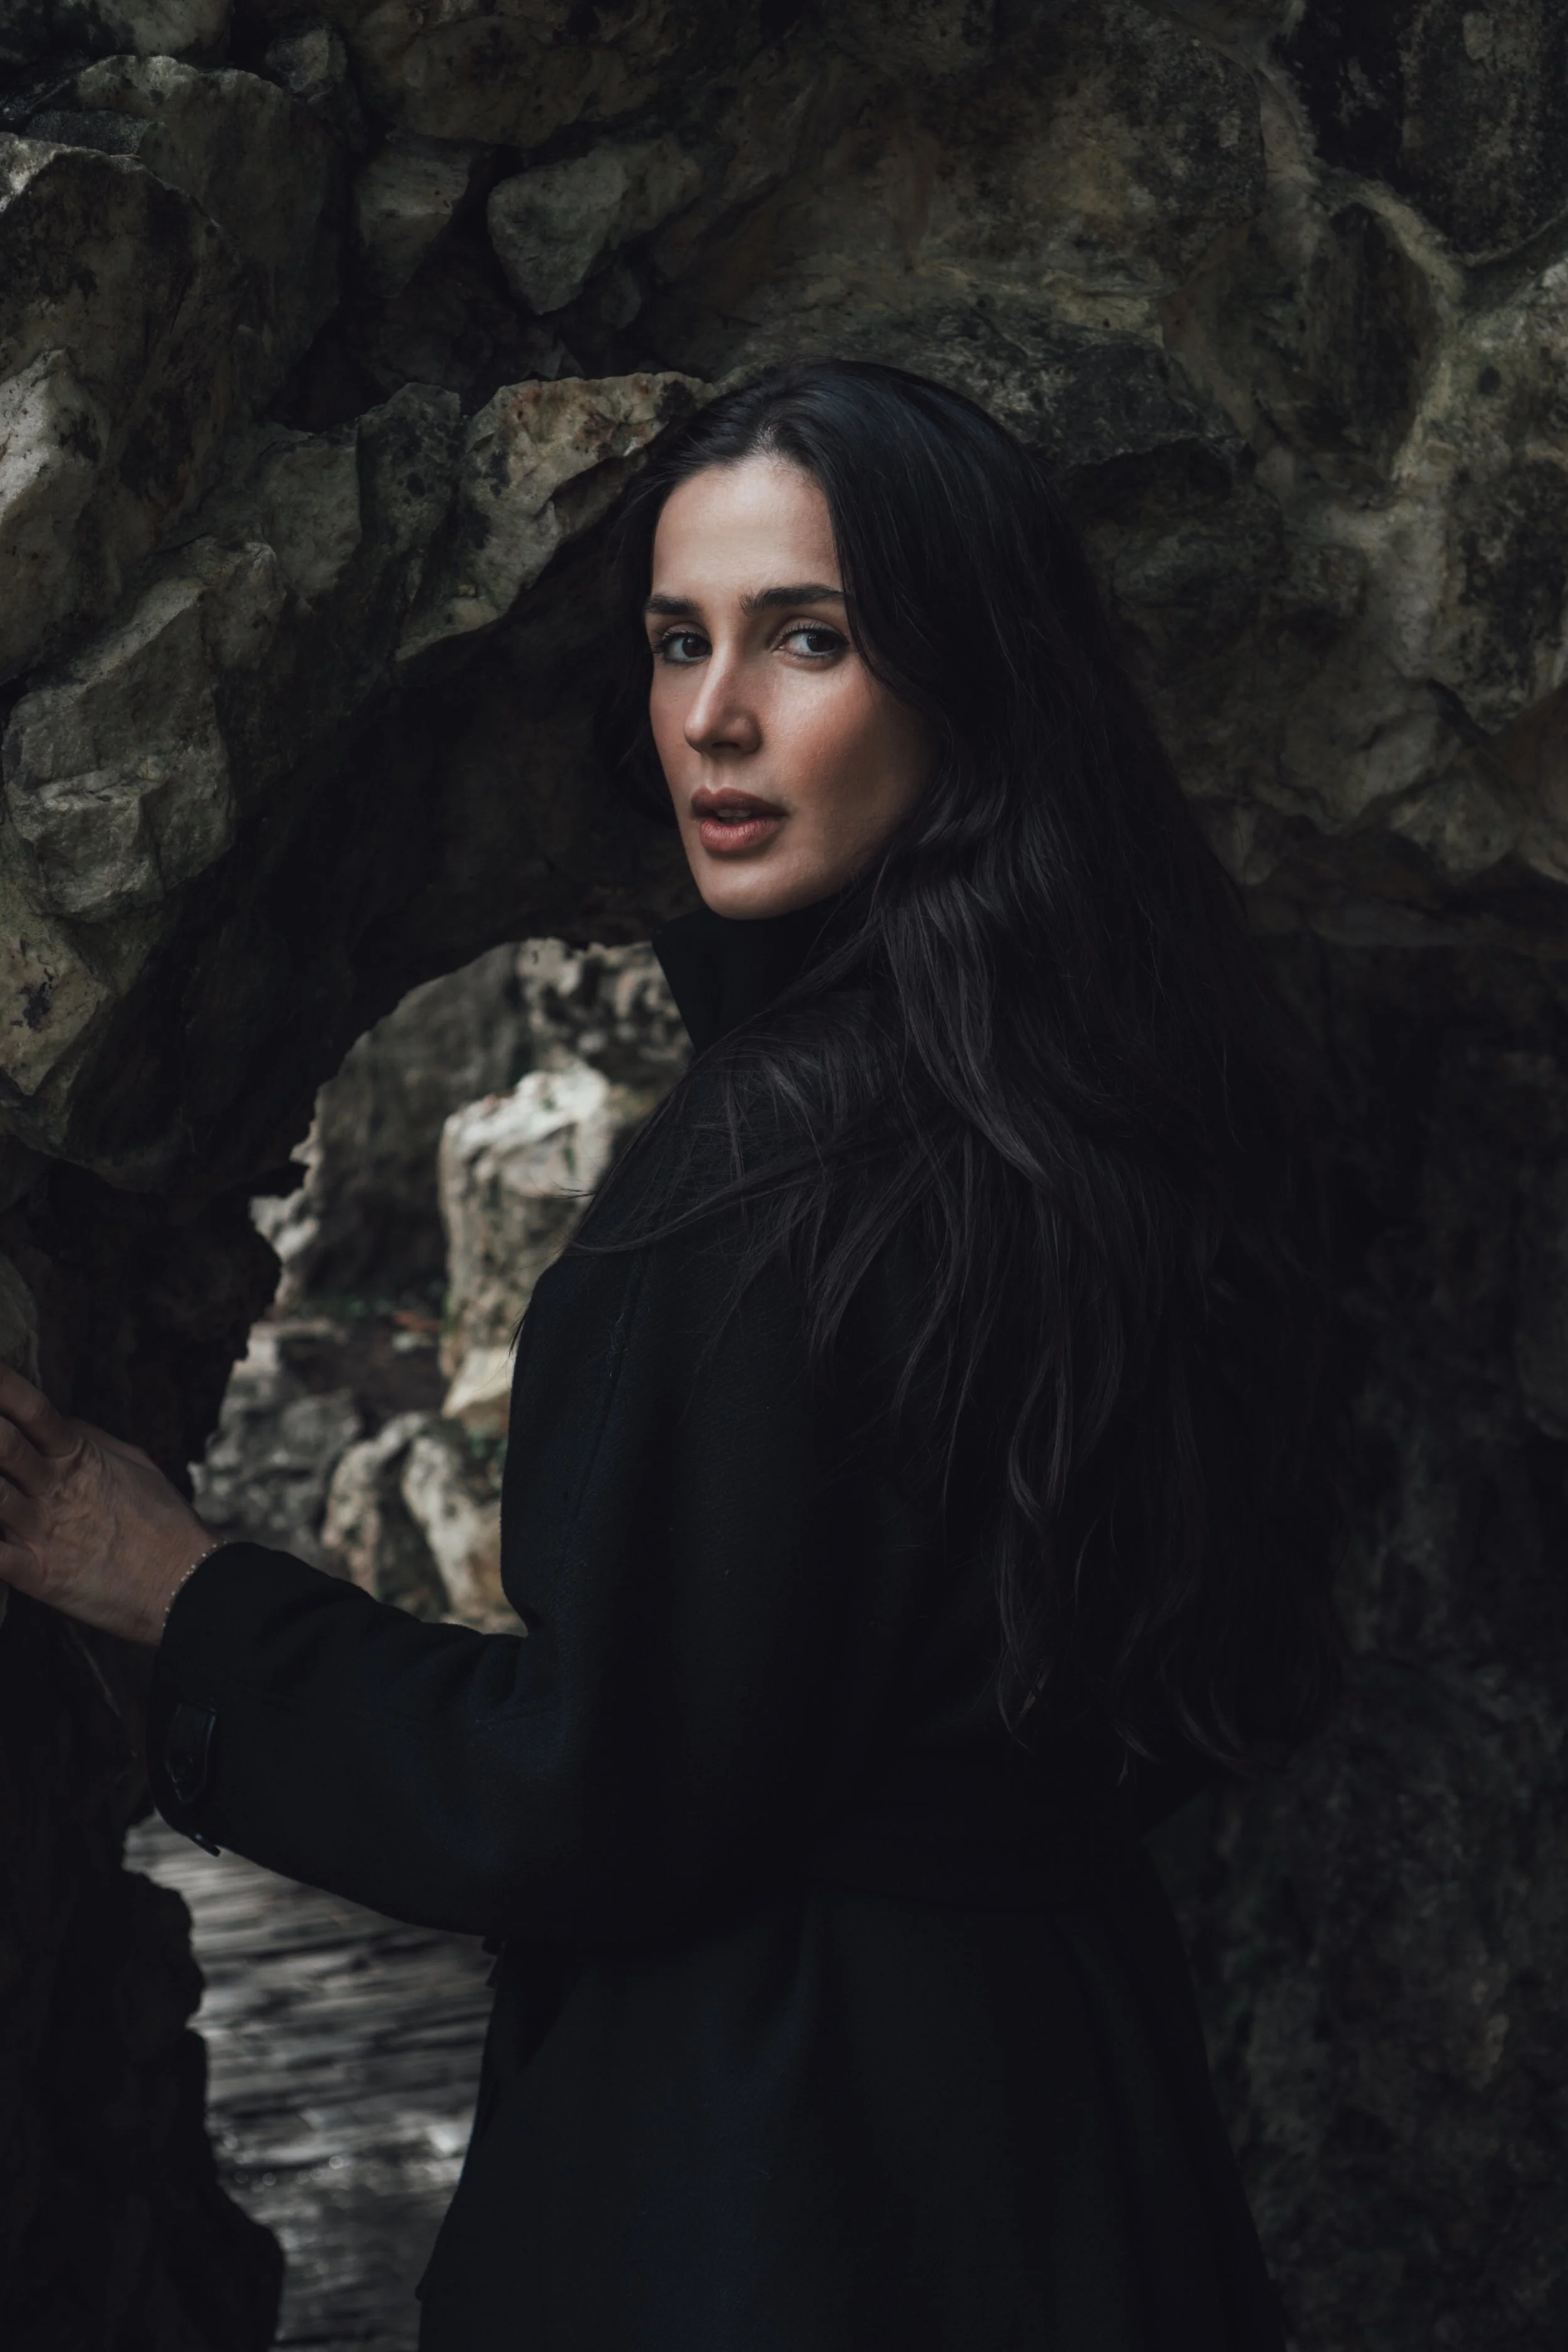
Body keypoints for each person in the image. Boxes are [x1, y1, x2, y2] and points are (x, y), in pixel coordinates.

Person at [0, 361, 1341, 2349]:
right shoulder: (1147, 1088)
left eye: (808, 638)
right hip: (1076, 2108)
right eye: (675, 639)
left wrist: (180, 1589)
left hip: (781, 2164)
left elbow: (586, 1796)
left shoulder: (777, 1167)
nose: (713, 715)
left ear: (971, 673)